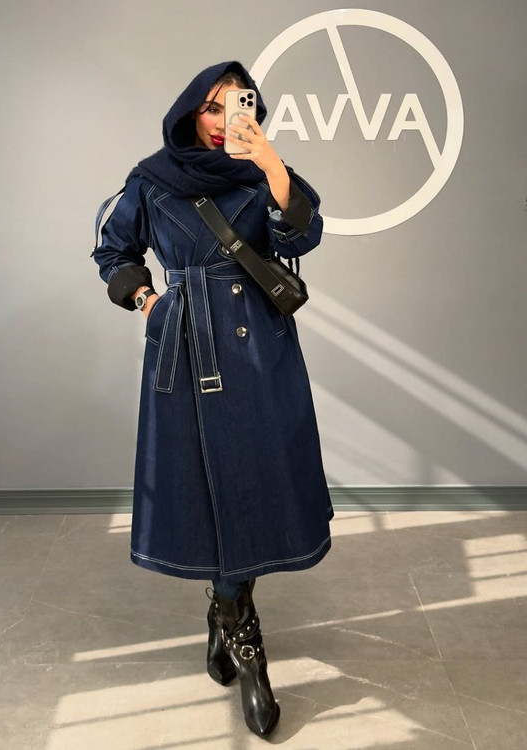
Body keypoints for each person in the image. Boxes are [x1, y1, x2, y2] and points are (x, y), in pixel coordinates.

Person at [92, 60, 334, 740]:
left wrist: (271, 162)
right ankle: (242, 633)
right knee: (207, 486)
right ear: (189, 114)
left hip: (258, 345)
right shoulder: (152, 179)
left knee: (255, 480)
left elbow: (301, 236)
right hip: (187, 342)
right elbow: (113, 251)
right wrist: (148, 301)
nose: (226, 119)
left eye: (238, 103)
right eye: (212, 106)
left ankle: (227, 610)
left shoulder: (264, 171)